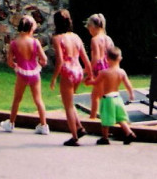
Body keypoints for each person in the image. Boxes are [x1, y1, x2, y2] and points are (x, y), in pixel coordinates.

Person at [0, 15, 48, 134]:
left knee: (17, 99)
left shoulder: (14, 43)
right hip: (34, 72)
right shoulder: (35, 42)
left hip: (22, 72)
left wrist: (16, 66)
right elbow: (44, 59)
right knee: (38, 99)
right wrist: (39, 64)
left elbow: (10, 62)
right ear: (30, 28)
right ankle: (44, 125)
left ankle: (11, 123)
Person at [50, 9, 93, 146]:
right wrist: (90, 74)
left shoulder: (57, 39)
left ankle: (74, 137)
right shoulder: (76, 37)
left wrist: (54, 78)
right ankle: (79, 127)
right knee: (71, 101)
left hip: (67, 72)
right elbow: (85, 58)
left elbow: (60, 61)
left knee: (67, 105)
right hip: (78, 71)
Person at [92, 46, 136, 145]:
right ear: (120, 58)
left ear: (107, 59)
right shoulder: (122, 72)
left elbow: (96, 82)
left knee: (105, 118)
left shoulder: (104, 72)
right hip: (118, 98)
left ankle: (105, 137)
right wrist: (131, 94)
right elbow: (128, 84)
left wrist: (88, 81)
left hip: (107, 99)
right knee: (120, 118)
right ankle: (129, 132)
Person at [85, 13, 114, 119]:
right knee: (95, 95)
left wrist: (88, 70)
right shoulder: (109, 39)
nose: (89, 31)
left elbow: (96, 58)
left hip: (100, 71)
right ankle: (92, 118)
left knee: (102, 97)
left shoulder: (95, 39)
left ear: (93, 27)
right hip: (109, 69)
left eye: (89, 28)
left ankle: (108, 121)